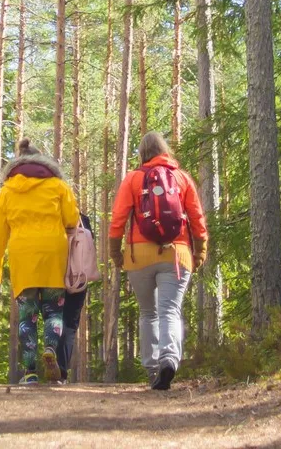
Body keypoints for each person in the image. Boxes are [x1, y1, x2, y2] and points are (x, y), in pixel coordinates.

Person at [108, 130, 207, 391]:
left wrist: (115, 253)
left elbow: (118, 219)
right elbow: (197, 219)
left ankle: (153, 369)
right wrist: (200, 251)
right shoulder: (182, 178)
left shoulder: (133, 179)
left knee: (148, 312)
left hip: (138, 256)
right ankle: (169, 360)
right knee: (169, 310)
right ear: (165, 152)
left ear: (142, 154)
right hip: (176, 254)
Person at [0, 138, 79, 384]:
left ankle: (30, 373)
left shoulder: (5, 192)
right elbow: (72, 219)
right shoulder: (58, 186)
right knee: (54, 310)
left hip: (22, 256)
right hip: (53, 254)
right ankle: (50, 348)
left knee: (27, 316)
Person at [57, 211, 94, 383]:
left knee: (53, 318)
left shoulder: (51, 217)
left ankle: (38, 367)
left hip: (53, 277)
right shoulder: (83, 219)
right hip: (78, 278)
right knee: (70, 324)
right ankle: (61, 371)